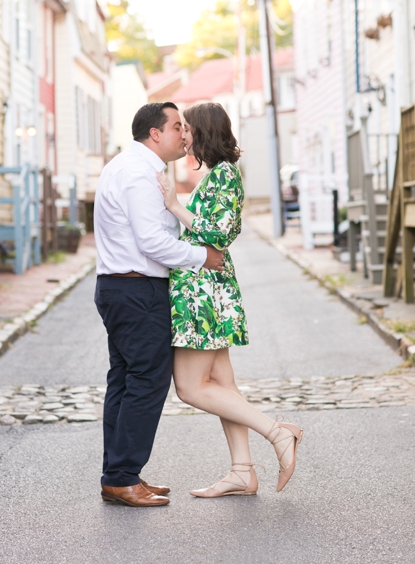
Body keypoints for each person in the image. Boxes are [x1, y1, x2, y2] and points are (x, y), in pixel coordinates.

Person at [155, 102, 302, 498]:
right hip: (205, 285)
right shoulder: (219, 175)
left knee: (189, 387)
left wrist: (173, 205)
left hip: (204, 291)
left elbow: (215, 235)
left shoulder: (223, 175)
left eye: (186, 129)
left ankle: (278, 433)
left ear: (203, 131)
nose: (183, 135)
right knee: (222, 384)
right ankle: (242, 471)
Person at [94, 102, 225, 507]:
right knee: (147, 382)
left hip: (124, 288)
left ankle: (119, 474)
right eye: (176, 126)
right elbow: (152, 242)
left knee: (126, 381)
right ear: (155, 133)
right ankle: (122, 477)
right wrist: (205, 257)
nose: (183, 133)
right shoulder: (137, 172)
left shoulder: (135, 166)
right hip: (136, 291)